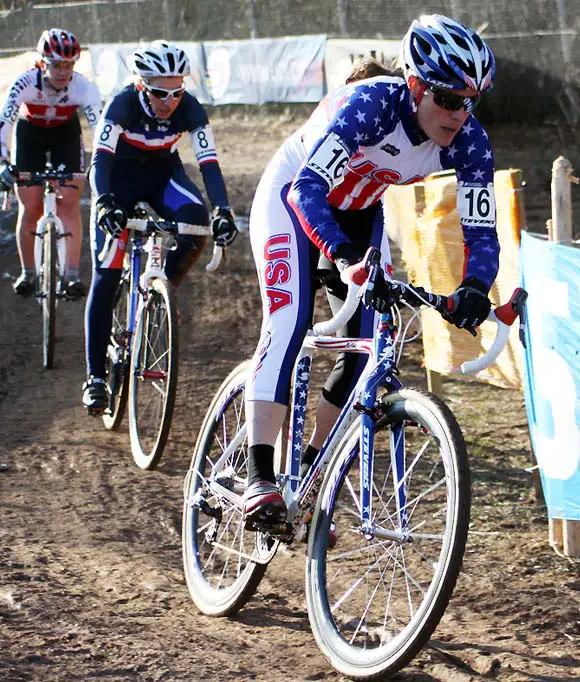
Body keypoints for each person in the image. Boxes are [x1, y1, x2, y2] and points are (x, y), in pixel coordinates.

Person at [241, 14, 499, 528]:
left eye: (470, 101)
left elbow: (482, 231)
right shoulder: (373, 107)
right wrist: (340, 257)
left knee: (367, 350)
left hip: (360, 211)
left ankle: (311, 473)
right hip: (292, 196)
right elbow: (306, 190)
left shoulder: (470, 142)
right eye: (448, 99)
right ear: (417, 85)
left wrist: (474, 286)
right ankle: (259, 476)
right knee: (289, 320)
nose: (459, 114)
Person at [81, 40, 238, 412]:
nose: (169, 100)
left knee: (196, 219)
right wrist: (104, 202)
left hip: (162, 176)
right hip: (117, 181)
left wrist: (223, 210)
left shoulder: (191, 109)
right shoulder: (121, 105)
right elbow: (99, 161)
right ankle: (96, 377)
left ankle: (162, 292)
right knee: (106, 272)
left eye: (177, 90)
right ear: (141, 85)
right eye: (159, 92)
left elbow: (209, 164)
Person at [0, 28, 101, 299]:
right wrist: (1, 162)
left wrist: (102, 163)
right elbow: (3, 122)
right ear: (42, 63)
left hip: (65, 133)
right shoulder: (24, 83)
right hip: (30, 134)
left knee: (69, 204)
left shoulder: (83, 87)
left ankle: (71, 274)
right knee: (31, 206)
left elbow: (100, 129)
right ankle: (28, 272)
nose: (64, 73)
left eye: (69, 66)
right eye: (56, 66)